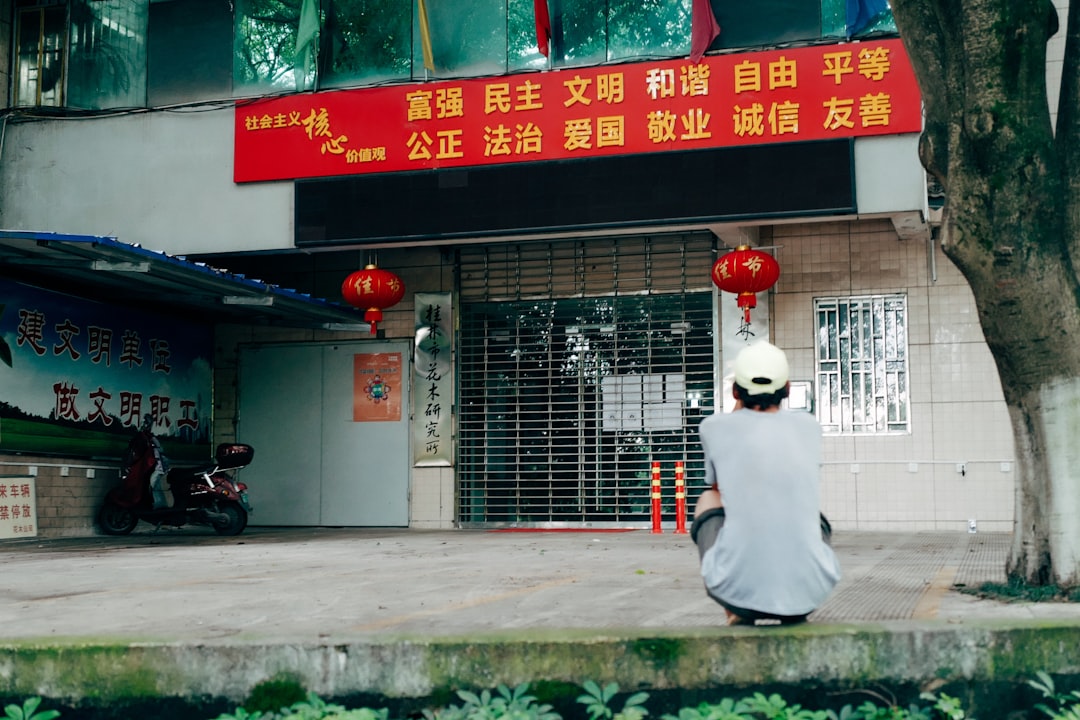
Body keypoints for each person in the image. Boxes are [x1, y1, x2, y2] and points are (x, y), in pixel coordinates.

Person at [691, 340, 841, 626]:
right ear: (787, 389)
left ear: (735, 391)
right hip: (810, 594)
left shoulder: (713, 427)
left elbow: (717, 487)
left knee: (707, 500)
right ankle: (793, 604)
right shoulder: (810, 427)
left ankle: (734, 611)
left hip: (735, 593)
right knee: (810, 514)